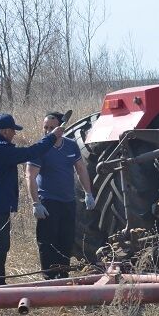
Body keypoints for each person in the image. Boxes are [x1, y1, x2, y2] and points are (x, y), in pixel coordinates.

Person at [0, 113, 64, 286]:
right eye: (13, 131)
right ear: (5, 131)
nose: (15, 134)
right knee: (0, 245)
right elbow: (30, 152)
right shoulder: (0, 148)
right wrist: (52, 137)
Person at [26, 112, 96, 280]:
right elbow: (30, 176)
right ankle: (49, 277)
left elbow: (81, 169)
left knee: (66, 239)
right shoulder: (40, 149)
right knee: (47, 241)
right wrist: (36, 203)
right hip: (48, 202)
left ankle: (63, 274)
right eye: (46, 128)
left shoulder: (71, 145)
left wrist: (88, 193)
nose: (48, 131)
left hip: (68, 201)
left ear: (61, 128)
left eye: (52, 127)